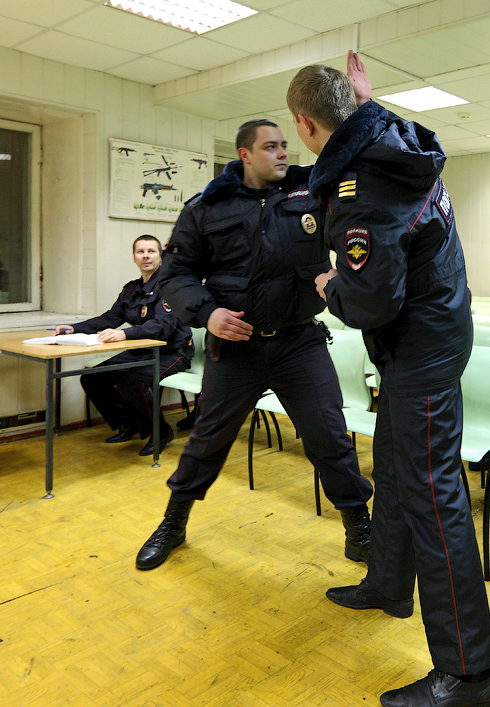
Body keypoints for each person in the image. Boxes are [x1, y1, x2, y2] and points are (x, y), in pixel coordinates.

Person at [287, 52, 490, 707]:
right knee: (400, 469)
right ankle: (387, 582)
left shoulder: (364, 188)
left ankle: (469, 671)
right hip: (425, 340)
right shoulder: (388, 140)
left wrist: (329, 287)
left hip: (422, 348)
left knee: (434, 497)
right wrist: (363, 100)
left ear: (303, 124)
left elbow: (372, 298)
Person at [133, 115, 374, 572]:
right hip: (237, 349)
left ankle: (359, 529)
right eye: (270, 147)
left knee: (330, 438)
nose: (283, 153)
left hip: (299, 343)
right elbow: (176, 272)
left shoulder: (314, 192)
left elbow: (354, 222)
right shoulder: (207, 206)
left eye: (285, 145)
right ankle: (173, 522)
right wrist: (207, 314)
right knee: (207, 440)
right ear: (244, 154)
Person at [54, 235, 193, 456]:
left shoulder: (170, 286)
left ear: (161, 256)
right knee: (93, 377)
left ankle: (161, 432)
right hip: (141, 352)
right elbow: (110, 318)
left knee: (132, 384)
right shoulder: (131, 289)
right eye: (140, 252)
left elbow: (162, 327)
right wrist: (74, 328)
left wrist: (124, 334)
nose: (146, 256)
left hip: (172, 352)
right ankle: (130, 425)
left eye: (151, 251)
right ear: (134, 258)